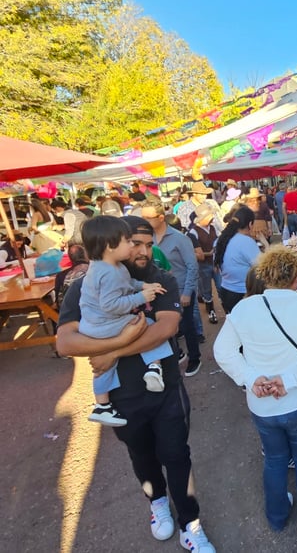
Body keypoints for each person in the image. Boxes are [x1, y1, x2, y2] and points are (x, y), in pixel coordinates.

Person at [56, 215, 216, 552]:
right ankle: (157, 502)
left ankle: (191, 523)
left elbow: (165, 328)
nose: (143, 251)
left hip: (166, 390)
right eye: (135, 243)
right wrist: (114, 348)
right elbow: (66, 342)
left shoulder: (162, 280)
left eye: (148, 244)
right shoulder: (88, 283)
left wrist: (110, 353)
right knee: (141, 455)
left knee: (176, 455)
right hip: (121, 396)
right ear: (117, 243)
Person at [213, 245, 297, 535]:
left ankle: (277, 515)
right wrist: (289, 379)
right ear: (296, 276)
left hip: (263, 404)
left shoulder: (244, 308)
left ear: (265, 275)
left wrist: (252, 377)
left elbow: (223, 351)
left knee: (275, 458)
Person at [77, 216, 171, 426]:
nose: (132, 246)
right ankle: (154, 367)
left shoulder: (106, 265)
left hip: (92, 326)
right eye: (128, 241)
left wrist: (142, 286)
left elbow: (127, 283)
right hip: (105, 323)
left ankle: (102, 405)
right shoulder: (109, 272)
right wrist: (141, 298)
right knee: (147, 324)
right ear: (110, 246)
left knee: (104, 365)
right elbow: (111, 304)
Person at [141, 200, 202, 376]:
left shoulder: (179, 238)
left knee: (187, 326)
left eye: (148, 217)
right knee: (164, 327)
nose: (144, 220)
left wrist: (187, 292)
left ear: (161, 218)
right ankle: (173, 357)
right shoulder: (146, 240)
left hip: (180, 289)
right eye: (142, 216)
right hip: (157, 293)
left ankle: (194, 358)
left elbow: (192, 266)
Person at [214, 206, 260, 313]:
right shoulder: (246, 242)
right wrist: (265, 243)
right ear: (250, 224)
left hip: (225, 290)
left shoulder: (220, 240)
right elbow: (262, 266)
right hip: (243, 293)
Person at [188, 202, 220, 325]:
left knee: (220, 286)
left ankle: (225, 310)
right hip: (203, 265)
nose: (211, 217)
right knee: (206, 289)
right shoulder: (193, 232)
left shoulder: (212, 228)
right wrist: (210, 252)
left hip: (214, 262)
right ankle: (211, 311)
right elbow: (197, 254)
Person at [54, 243, 89, 310]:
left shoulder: (61, 275)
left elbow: (59, 301)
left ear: (70, 258)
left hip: (71, 314)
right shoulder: (96, 270)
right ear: (85, 255)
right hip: (96, 312)